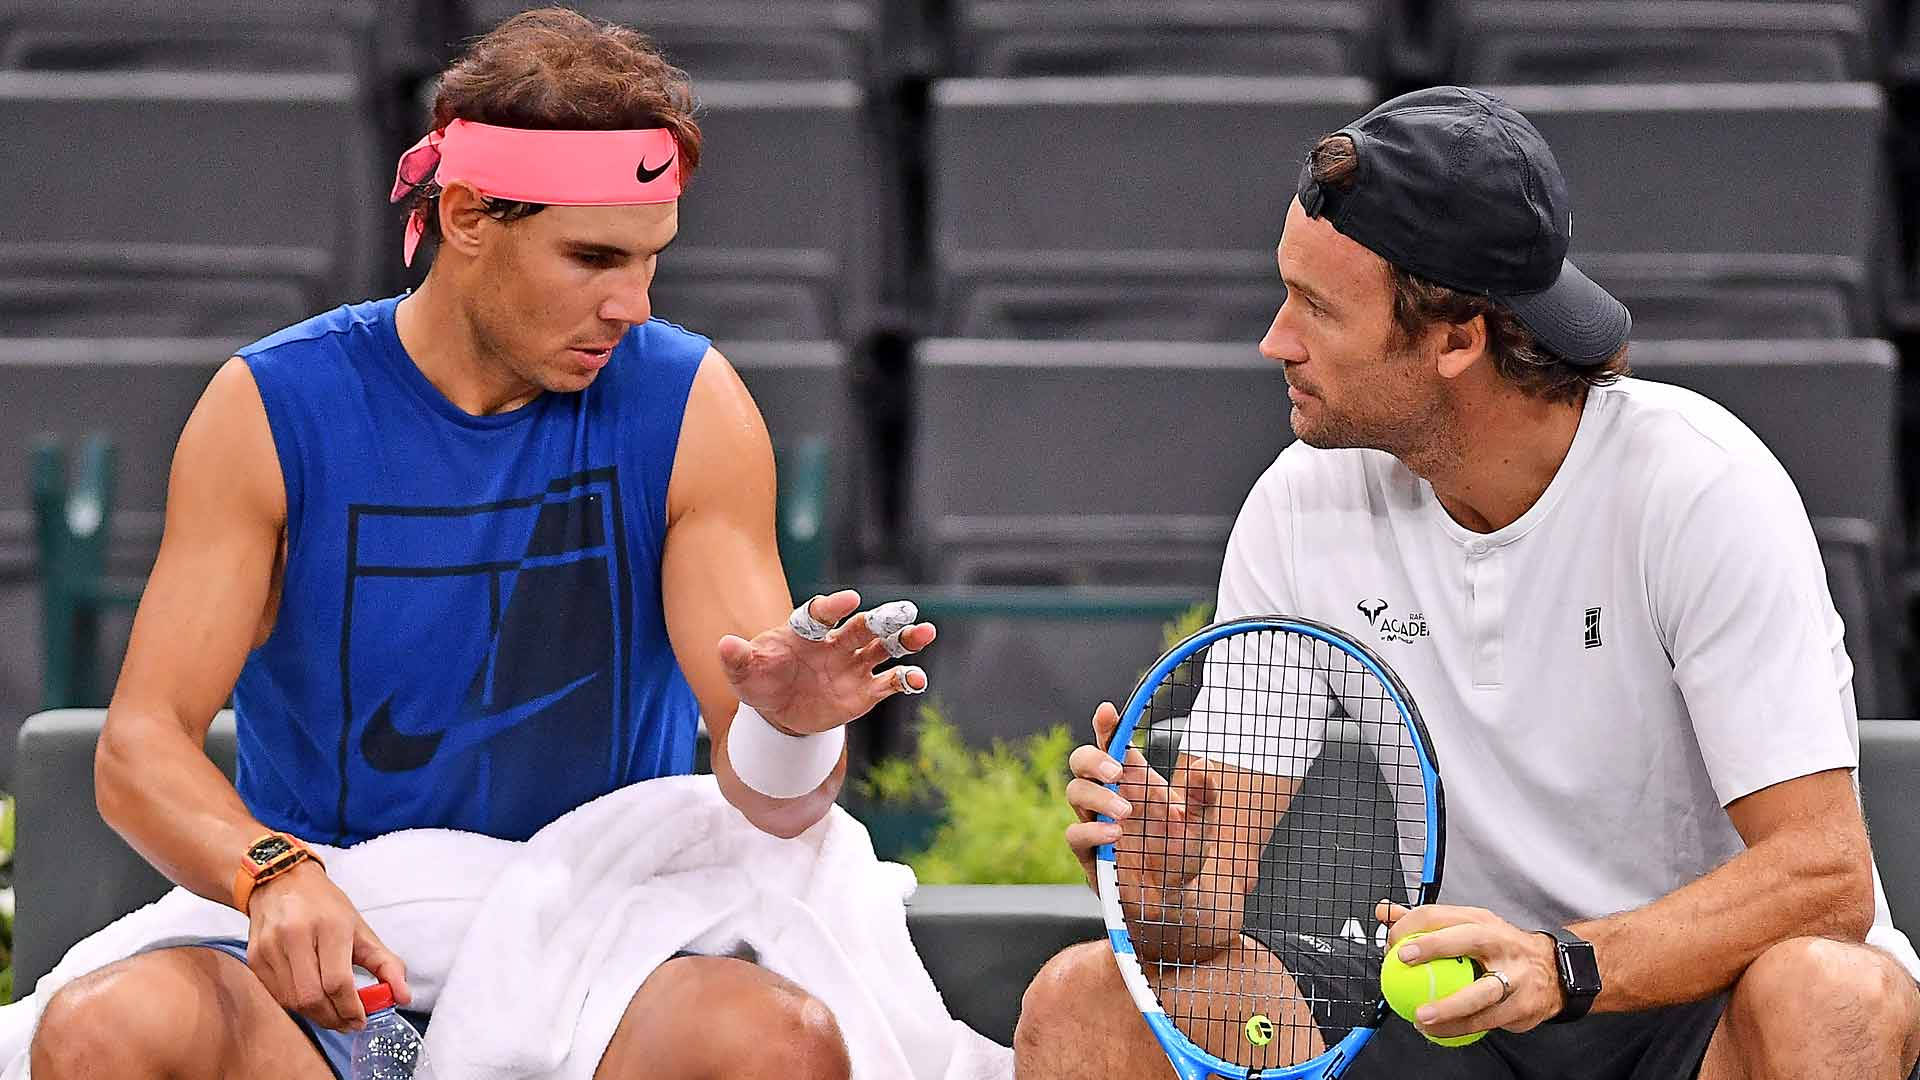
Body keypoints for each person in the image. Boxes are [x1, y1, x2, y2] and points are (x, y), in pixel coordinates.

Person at [29, 9, 932, 1079]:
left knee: (776, 1042)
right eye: (592, 257)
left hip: (601, 931)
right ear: (465, 215)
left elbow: (773, 801)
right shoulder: (267, 408)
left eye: (649, 261)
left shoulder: (693, 404)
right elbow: (140, 747)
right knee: (102, 1030)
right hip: (331, 932)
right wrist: (270, 872)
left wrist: (789, 729)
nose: (630, 305)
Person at [1016, 86, 1920, 1080]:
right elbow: (1204, 914)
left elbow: (1825, 876)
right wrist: (1159, 887)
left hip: (1684, 1009)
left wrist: (1560, 966)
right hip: (1448, 1014)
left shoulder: (1699, 486)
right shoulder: (1297, 504)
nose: (1275, 340)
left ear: (1456, 338)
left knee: (1837, 995)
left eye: (1317, 307)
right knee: (1086, 1003)